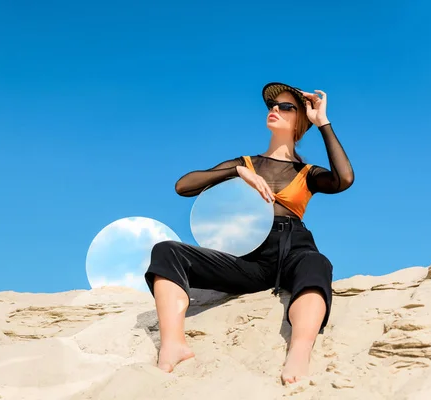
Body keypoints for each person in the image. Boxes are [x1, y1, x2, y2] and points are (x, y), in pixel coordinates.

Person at [143, 82, 354, 384]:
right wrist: (236, 173)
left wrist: (323, 123)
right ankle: (174, 344)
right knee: (165, 251)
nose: (274, 110)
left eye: (285, 107)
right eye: (272, 106)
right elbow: (183, 186)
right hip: (249, 258)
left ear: (300, 121)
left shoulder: (307, 173)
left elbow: (344, 178)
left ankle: (300, 350)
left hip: (294, 248)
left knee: (317, 264)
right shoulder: (246, 164)